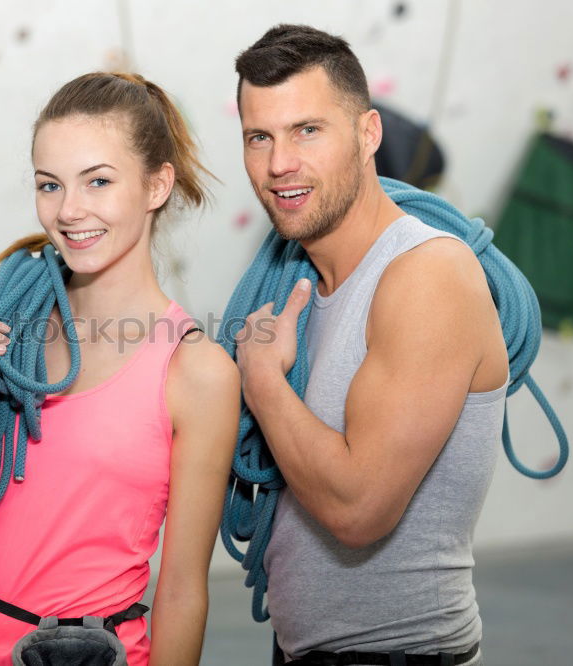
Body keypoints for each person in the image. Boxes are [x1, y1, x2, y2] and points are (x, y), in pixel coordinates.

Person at [0, 72, 240, 665]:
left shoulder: (197, 372)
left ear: (157, 184)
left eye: (98, 181)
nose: (68, 211)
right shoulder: (8, 327)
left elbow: (184, 592)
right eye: (49, 185)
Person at [232, 25, 507, 665]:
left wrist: (264, 382)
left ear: (368, 134)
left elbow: (360, 509)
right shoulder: (299, 286)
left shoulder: (426, 274)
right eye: (259, 138)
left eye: (308, 130)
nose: (279, 164)